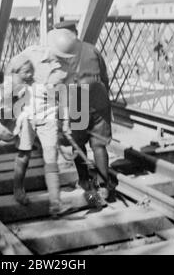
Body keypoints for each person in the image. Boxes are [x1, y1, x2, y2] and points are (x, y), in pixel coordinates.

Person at [12, 29, 78, 217]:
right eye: (58, 56)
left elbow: (66, 96)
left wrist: (65, 122)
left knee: (51, 158)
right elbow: (12, 72)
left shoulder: (67, 69)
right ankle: (18, 188)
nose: (59, 61)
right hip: (27, 115)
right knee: (24, 154)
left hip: (49, 116)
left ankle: (55, 205)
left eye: (63, 57)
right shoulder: (29, 54)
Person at [54, 21, 114, 204]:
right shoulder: (92, 49)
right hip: (98, 98)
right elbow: (104, 76)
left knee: (78, 144)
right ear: (76, 32)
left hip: (77, 100)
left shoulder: (60, 53)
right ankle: (104, 187)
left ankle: (85, 181)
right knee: (99, 145)